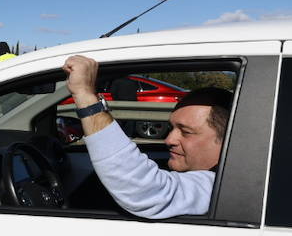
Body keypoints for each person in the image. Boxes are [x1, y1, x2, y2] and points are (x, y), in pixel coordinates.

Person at [63, 55, 231, 219]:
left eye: (186, 132)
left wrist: (84, 95)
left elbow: (147, 192)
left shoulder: (224, 187)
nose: (169, 140)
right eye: (172, 128)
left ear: (228, 142)